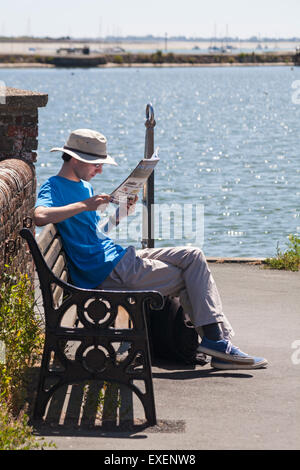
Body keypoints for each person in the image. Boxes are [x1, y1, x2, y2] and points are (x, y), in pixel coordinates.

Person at [34, 128, 268, 370]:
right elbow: (39, 216)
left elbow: (95, 234)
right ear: (75, 159)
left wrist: (120, 214)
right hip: (107, 271)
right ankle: (219, 345)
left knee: (193, 255)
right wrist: (86, 205)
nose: (100, 169)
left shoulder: (85, 187)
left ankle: (218, 342)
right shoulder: (54, 186)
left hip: (119, 259)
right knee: (192, 278)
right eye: (96, 164)